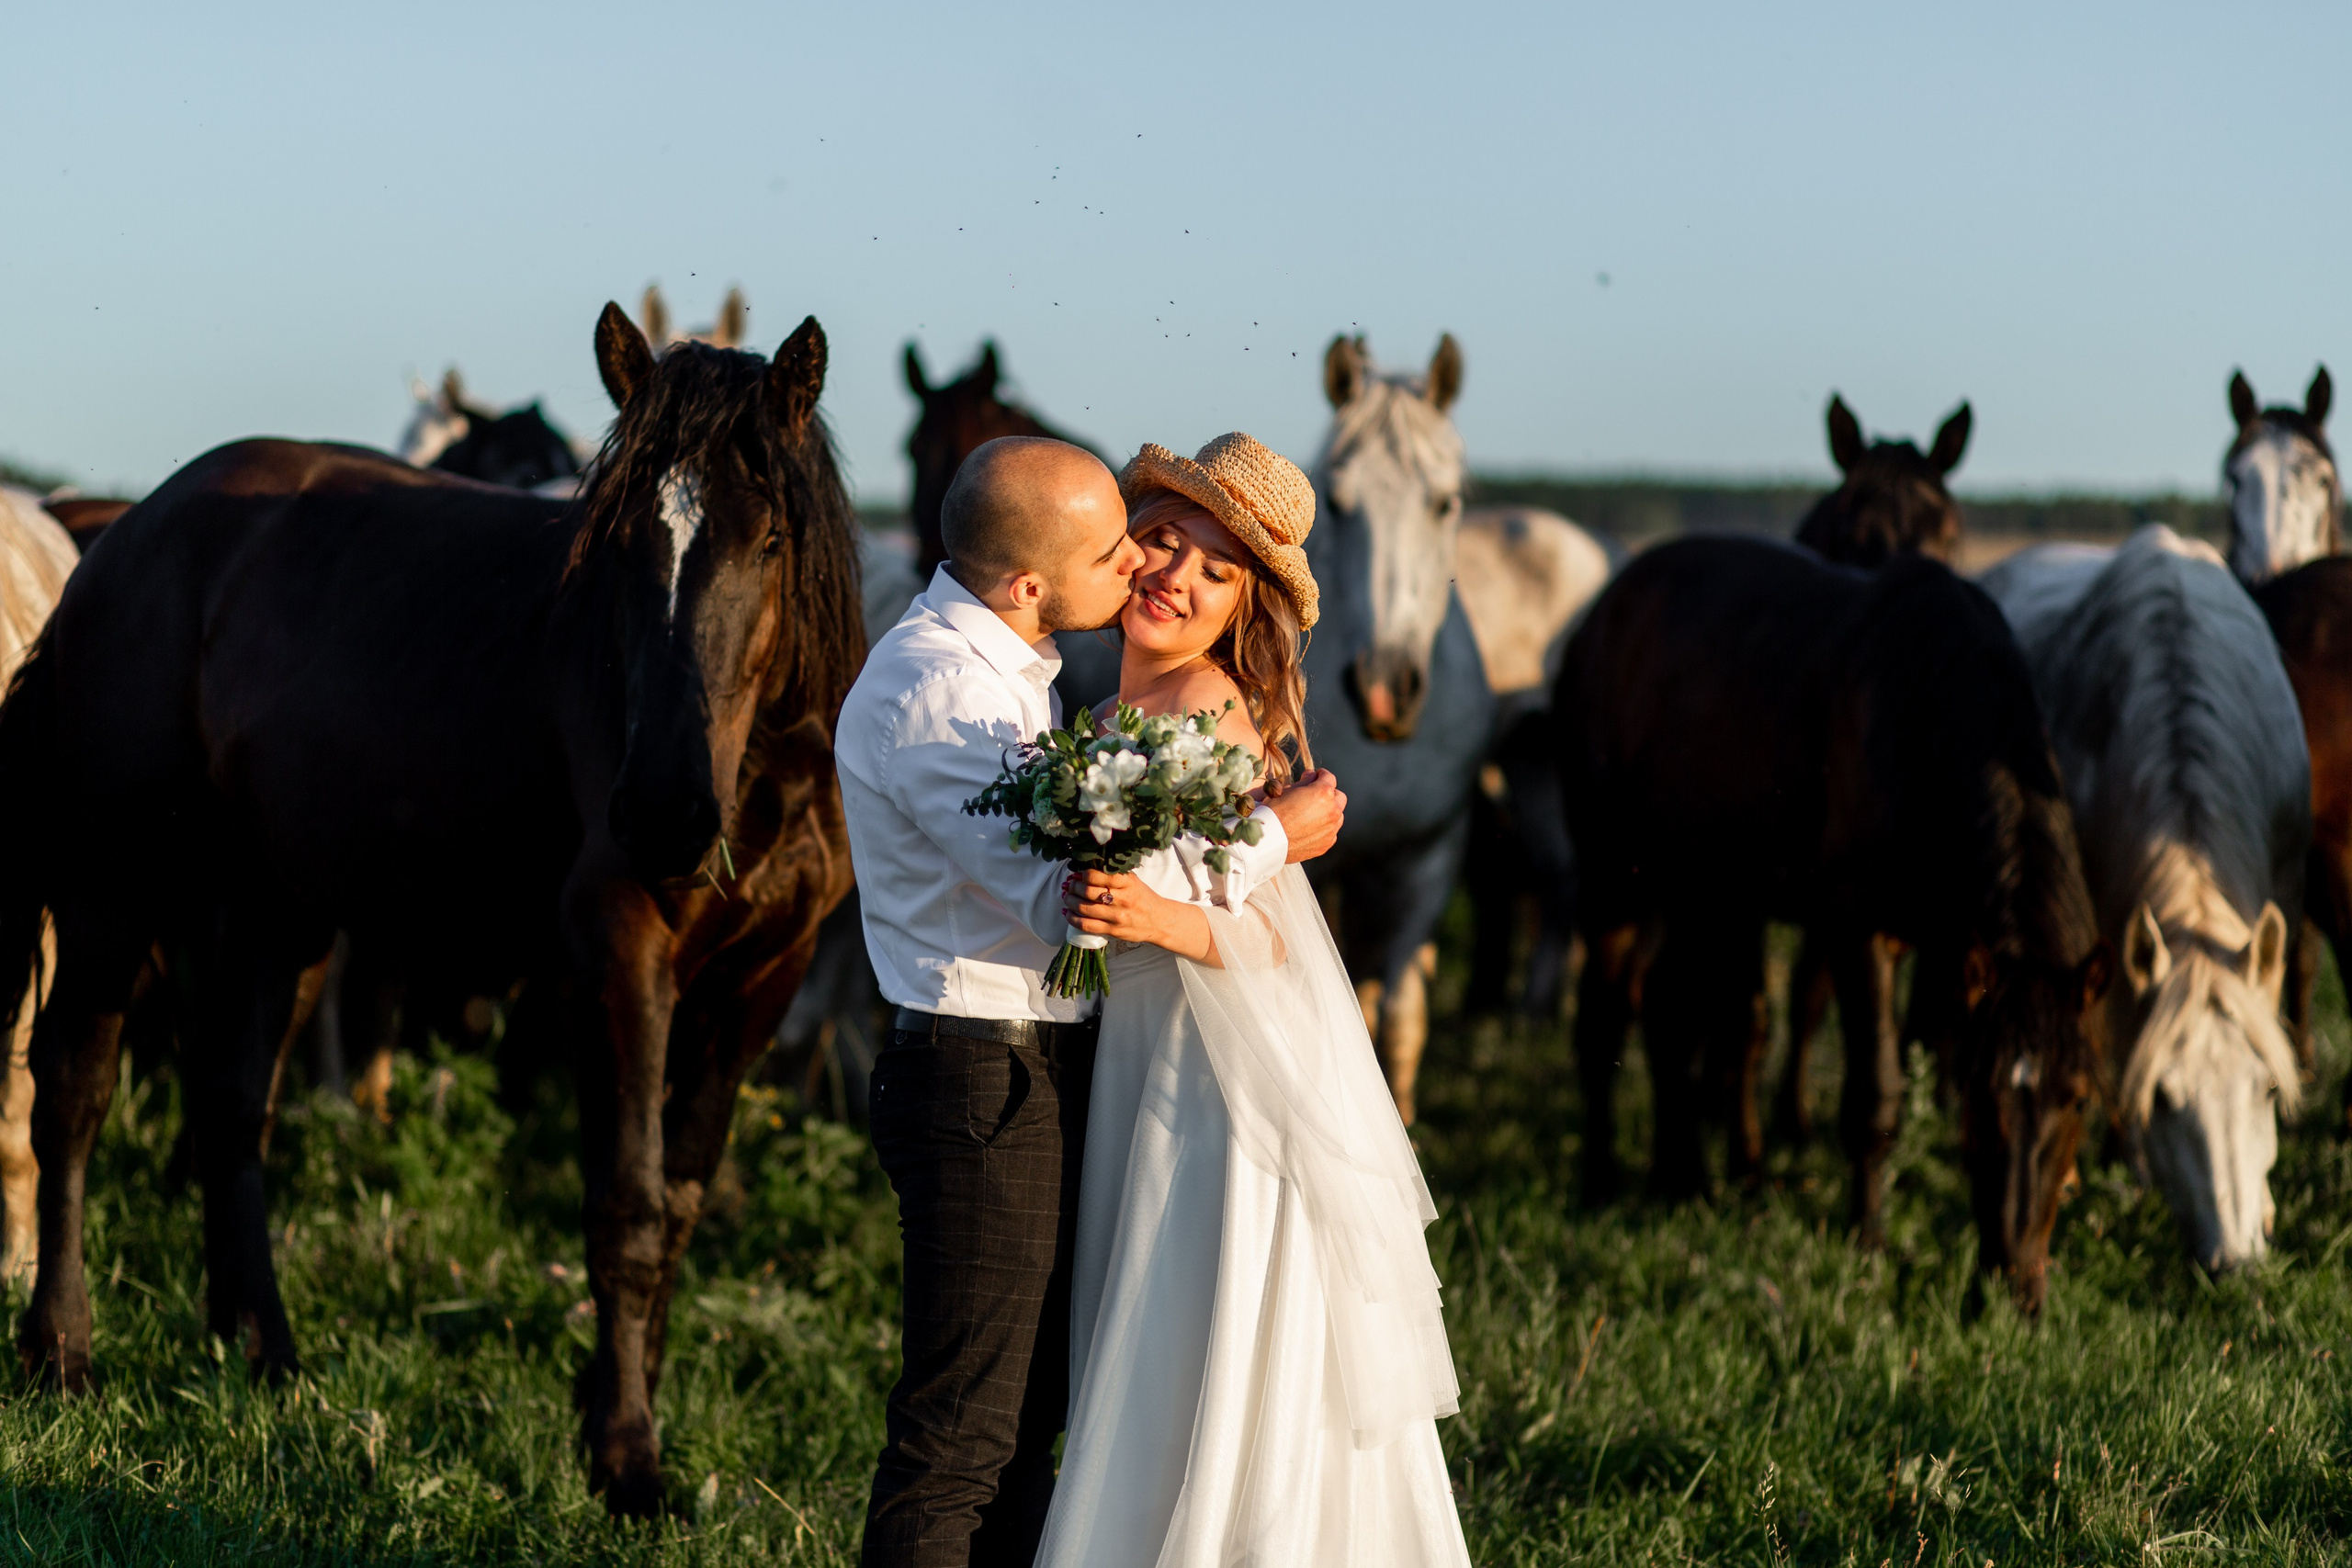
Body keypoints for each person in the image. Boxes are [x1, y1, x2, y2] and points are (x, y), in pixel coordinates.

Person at [835, 435, 1347, 1568]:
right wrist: (1273, 834)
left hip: (1045, 1072)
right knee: (963, 1439)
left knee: (1020, 1433)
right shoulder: (942, 698)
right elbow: (1078, 905)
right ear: (1028, 585)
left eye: (1184, 558)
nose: (1140, 568)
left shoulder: (1016, 680)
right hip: (980, 1075)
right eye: (1133, 546)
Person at [1037, 434, 1471, 1568]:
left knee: (1197, 1311)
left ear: (1242, 610)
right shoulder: (1113, 713)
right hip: (1144, 1038)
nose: (1176, 576)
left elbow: (1272, 937)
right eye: (1165, 541)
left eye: (1216, 572)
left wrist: (1151, 922)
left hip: (1217, 1070)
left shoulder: (1209, 707)